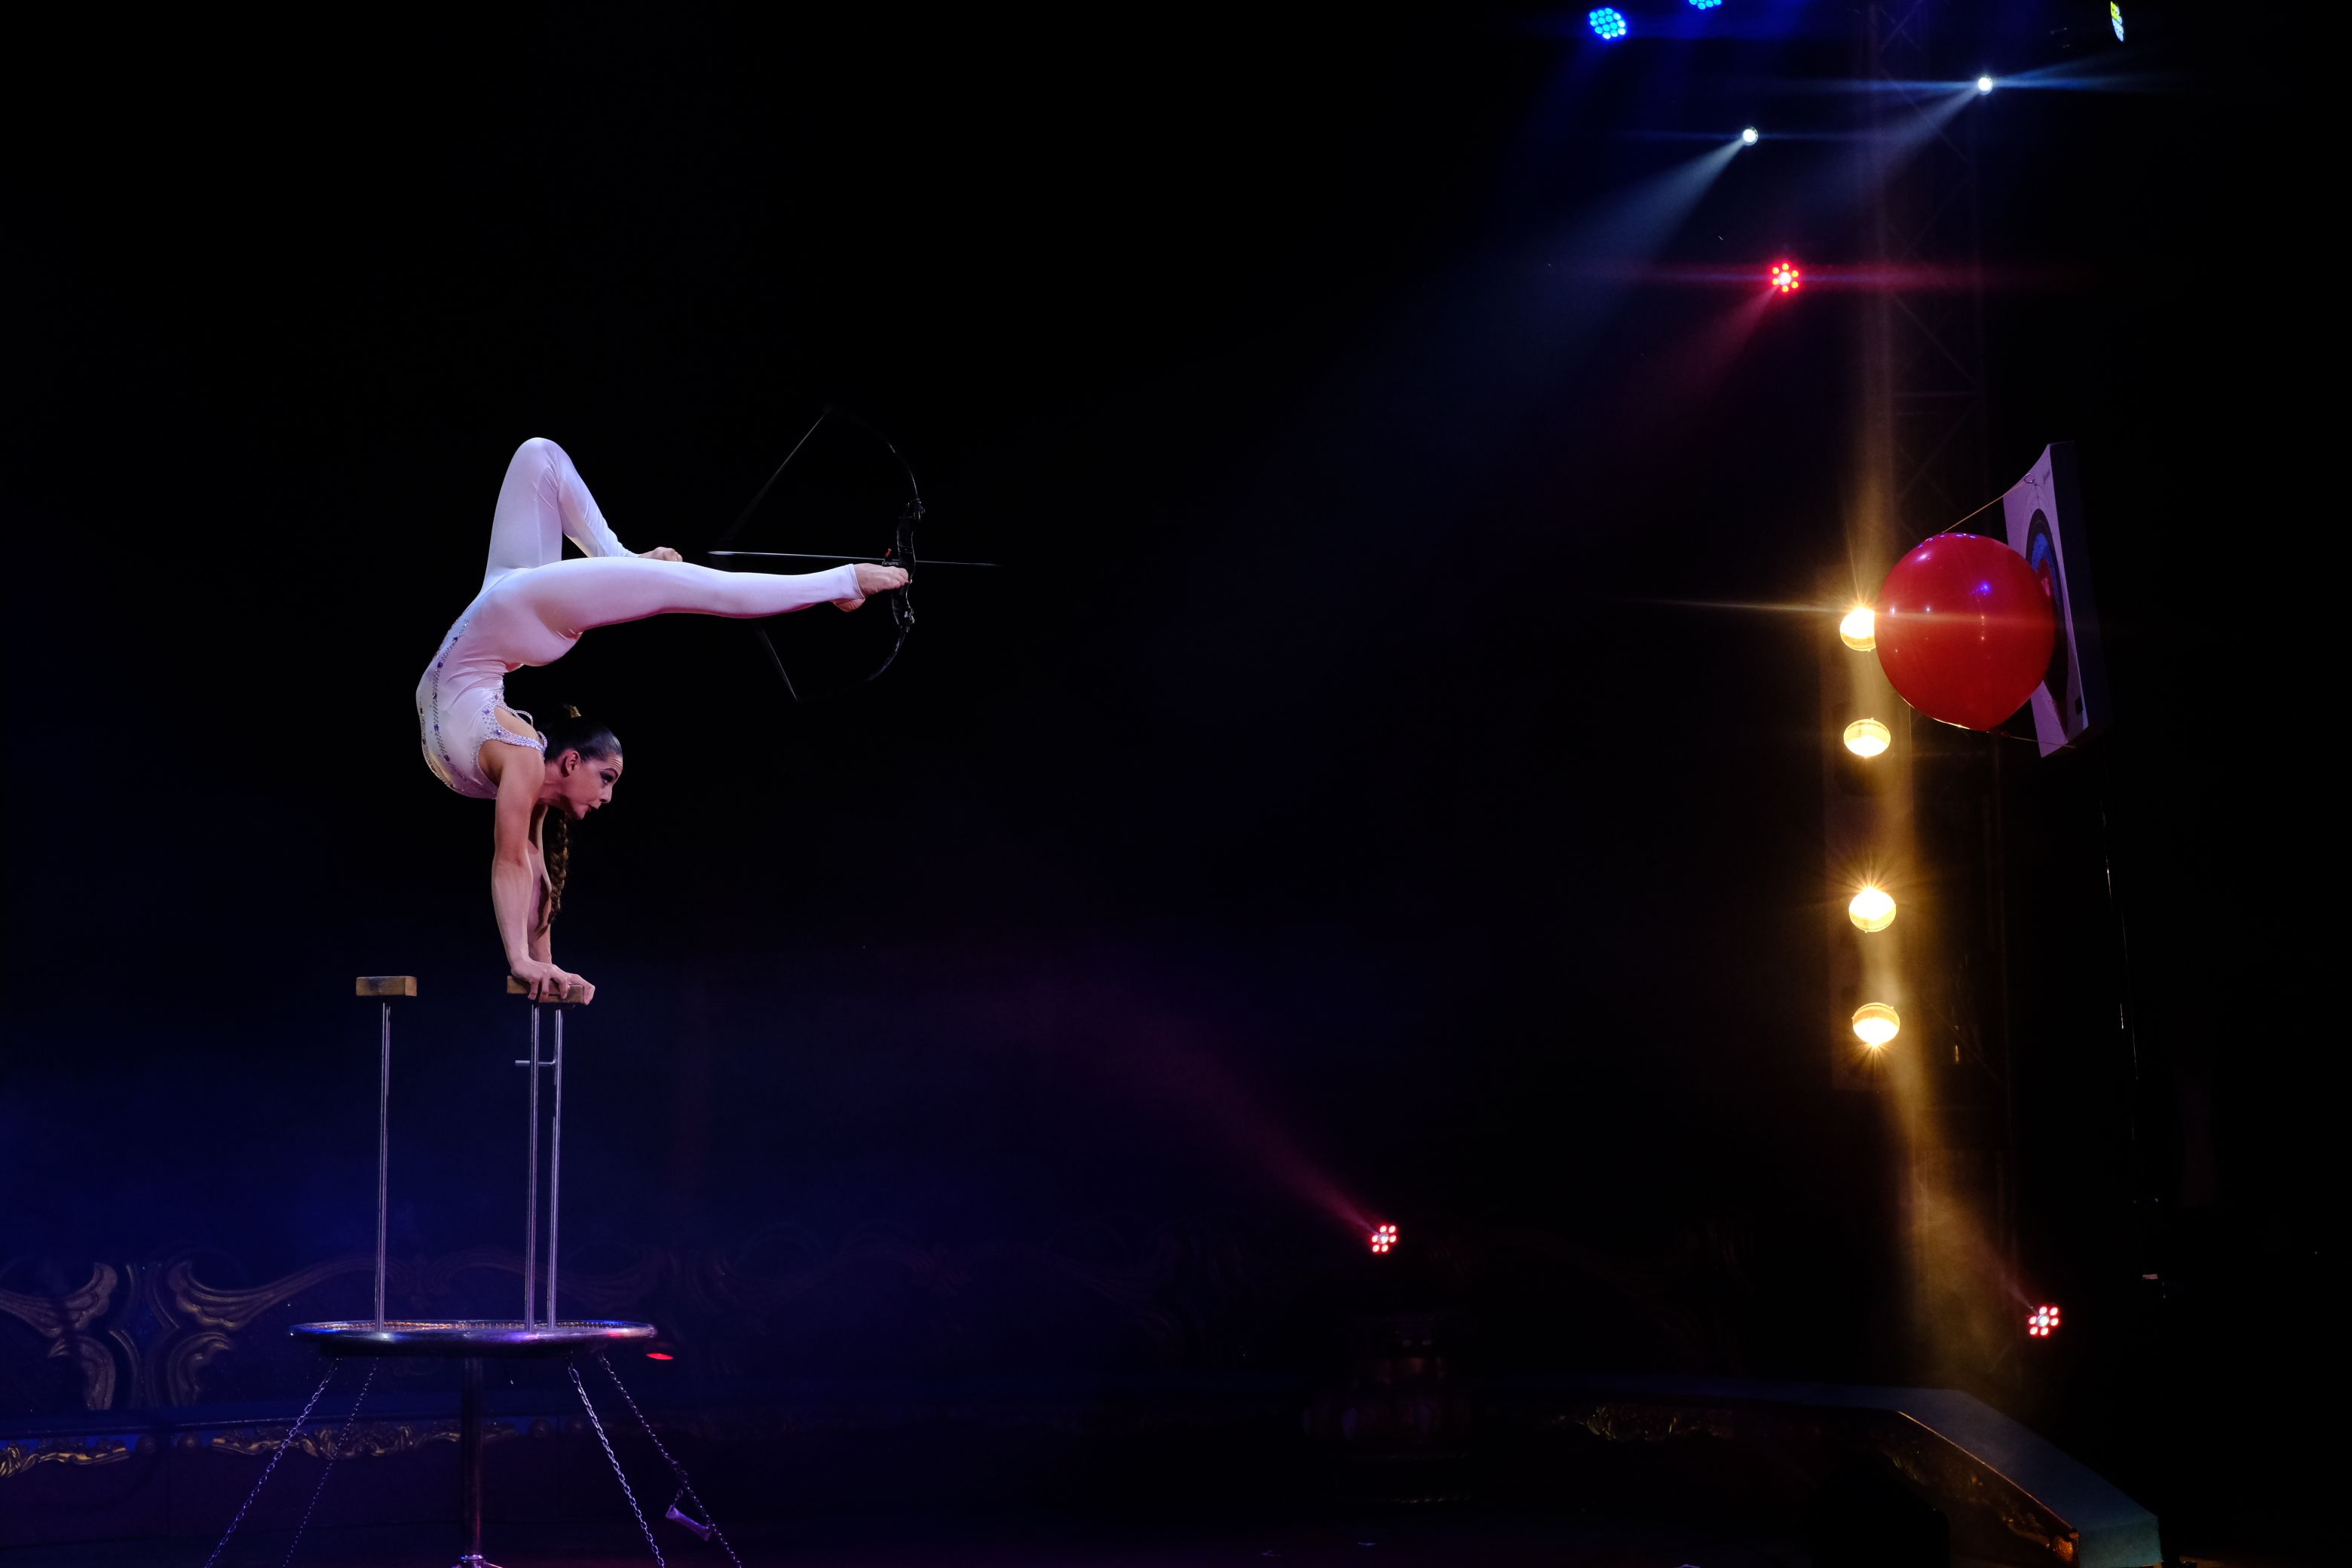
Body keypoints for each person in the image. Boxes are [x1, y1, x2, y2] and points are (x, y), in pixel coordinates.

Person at [417, 436, 906, 1003]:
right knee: (540, 457)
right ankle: (632, 562)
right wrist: (536, 964)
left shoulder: (524, 765)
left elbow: (518, 863)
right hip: (509, 605)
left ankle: (840, 581)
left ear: (569, 761)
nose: (607, 797)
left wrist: (533, 964)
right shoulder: (523, 767)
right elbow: (525, 865)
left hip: (516, 608)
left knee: (671, 570)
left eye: (608, 779)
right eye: (609, 779)